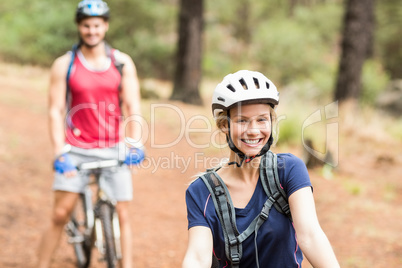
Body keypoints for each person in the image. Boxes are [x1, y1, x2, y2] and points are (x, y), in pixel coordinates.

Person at [182, 70, 340, 267]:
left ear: (272, 122)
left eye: (262, 119)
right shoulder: (201, 192)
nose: (254, 130)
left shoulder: (289, 170)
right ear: (224, 125)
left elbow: (310, 235)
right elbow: (198, 256)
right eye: (242, 120)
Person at [36, 1, 144, 267]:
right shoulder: (65, 64)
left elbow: (132, 106)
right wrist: (60, 152)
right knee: (60, 214)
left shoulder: (121, 62)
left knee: (123, 213)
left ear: (105, 26)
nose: (91, 30)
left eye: (97, 25)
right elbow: (55, 110)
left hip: (113, 146)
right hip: (76, 148)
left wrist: (135, 142)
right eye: (86, 25)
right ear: (79, 26)